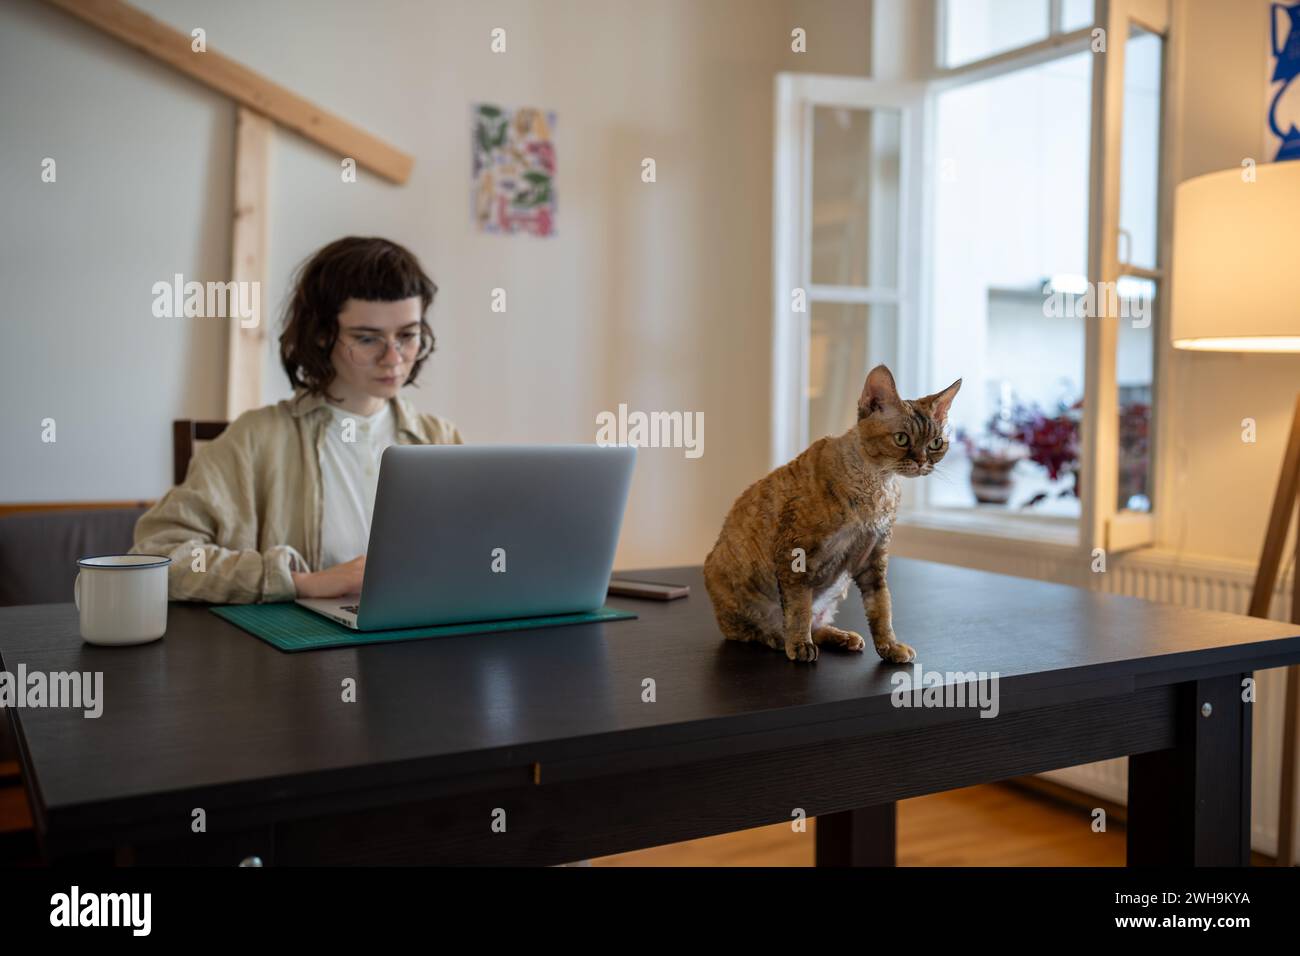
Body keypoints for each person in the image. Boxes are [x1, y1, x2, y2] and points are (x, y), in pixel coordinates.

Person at [131, 236, 463, 603]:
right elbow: (158, 556)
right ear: (322, 335)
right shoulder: (256, 439)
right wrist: (300, 582)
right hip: (299, 654)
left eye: (408, 335)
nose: (394, 358)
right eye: (367, 339)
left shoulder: (440, 439)